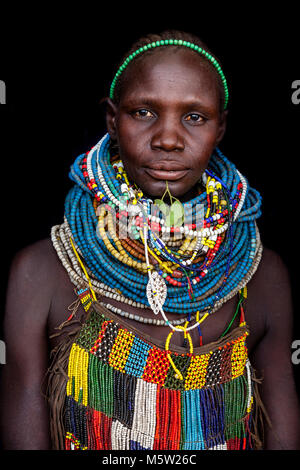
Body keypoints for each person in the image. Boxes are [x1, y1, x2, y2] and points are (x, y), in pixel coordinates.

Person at [1, 29, 300, 451]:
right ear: (111, 119)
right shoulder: (40, 272)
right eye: (144, 112)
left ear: (221, 127)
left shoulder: (261, 275)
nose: (168, 139)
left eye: (194, 117)